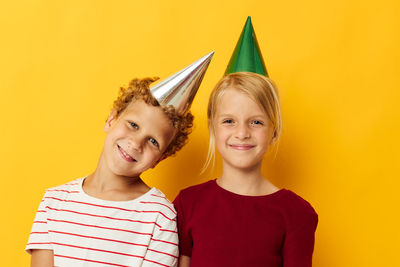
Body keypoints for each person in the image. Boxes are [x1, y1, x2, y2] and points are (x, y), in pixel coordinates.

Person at [25, 52, 214, 267]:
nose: (135, 143)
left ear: (160, 159)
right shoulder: (54, 201)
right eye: (133, 125)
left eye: (152, 141)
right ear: (111, 119)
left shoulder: (159, 217)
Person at [173, 18, 318, 267]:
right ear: (212, 128)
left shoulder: (296, 213)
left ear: (274, 131)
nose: (242, 133)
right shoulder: (188, 204)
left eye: (256, 122)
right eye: (229, 121)